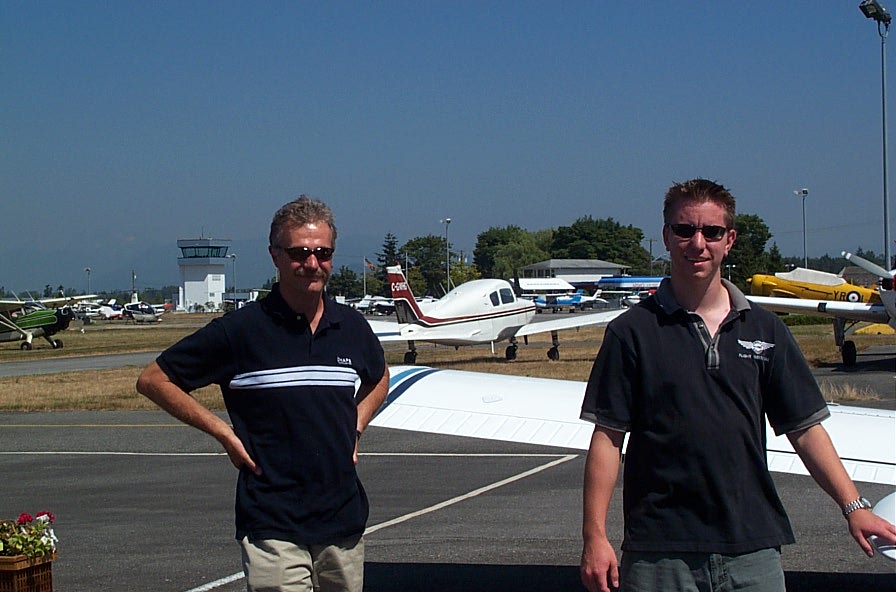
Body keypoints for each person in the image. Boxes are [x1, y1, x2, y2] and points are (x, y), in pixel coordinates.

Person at [579, 179, 896, 592]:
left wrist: (854, 506)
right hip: (659, 551)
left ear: (729, 241)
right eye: (684, 230)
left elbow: (805, 429)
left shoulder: (766, 329)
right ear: (666, 237)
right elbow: (607, 438)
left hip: (752, 551)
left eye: (711, 232)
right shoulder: (631, 332)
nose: (698, 243)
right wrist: (595, 537)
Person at [136, 195, 390, 592]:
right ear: (275, 255)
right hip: (273, 521)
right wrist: (223, 433)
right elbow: (154, 380)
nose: (312, 263)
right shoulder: (240, 331)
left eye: (322, 253)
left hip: (342, 519)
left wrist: (355, 427)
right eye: (299, 253)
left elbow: (379, 376)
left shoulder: (351, 326)